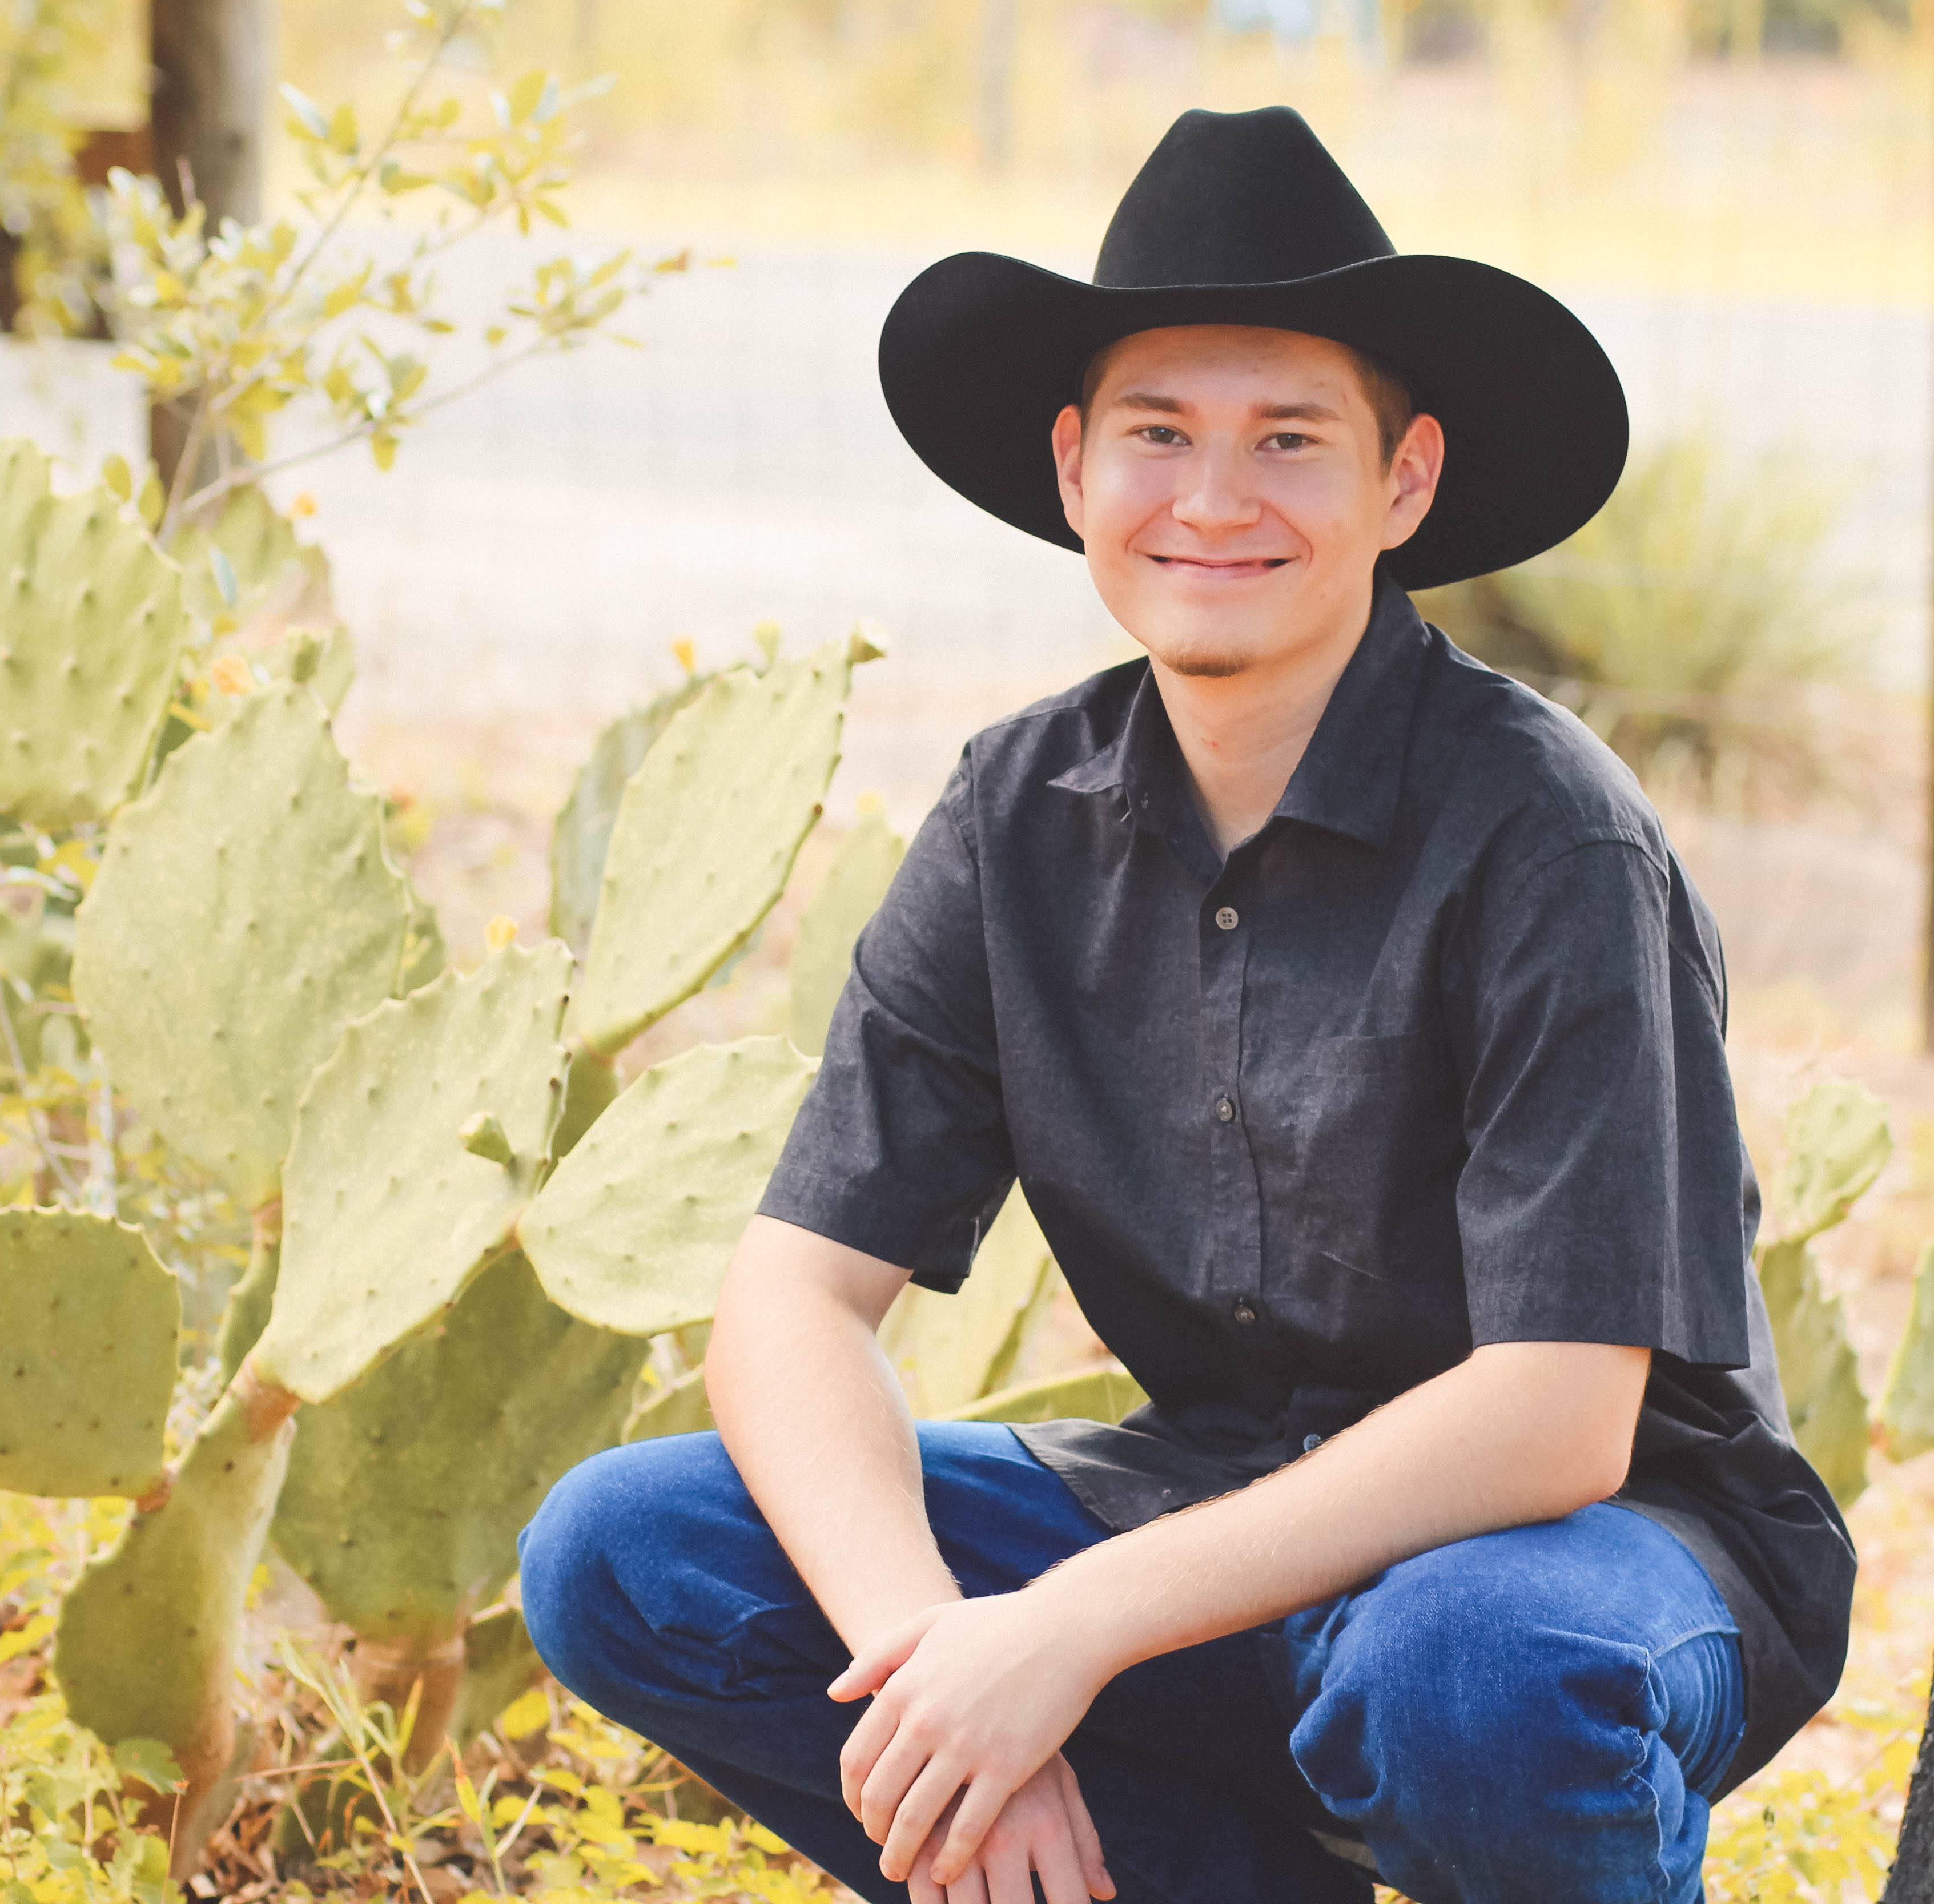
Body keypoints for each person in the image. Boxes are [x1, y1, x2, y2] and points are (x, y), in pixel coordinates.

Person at [519, 105, 1855, 1904]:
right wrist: (943, 1681)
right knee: (626, 1549)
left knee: (1469, 1670)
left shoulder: (1548, 834)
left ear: (1405, 483)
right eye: (1160, 434)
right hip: (1206, 1510)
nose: (1214, 501)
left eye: (1289, 439)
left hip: (1587, 1558)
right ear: (1075, 469)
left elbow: (1557, 1416)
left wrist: (1065, 1629)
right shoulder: (1017, 816)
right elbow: (791, 1300)